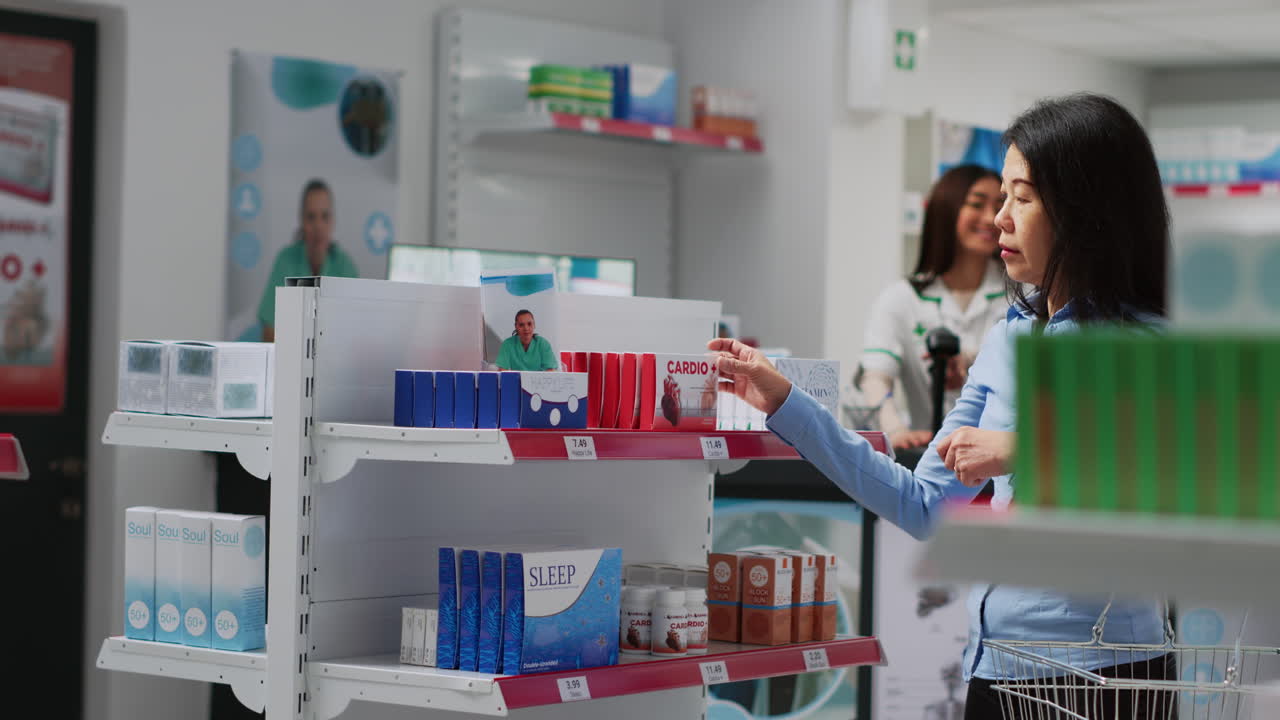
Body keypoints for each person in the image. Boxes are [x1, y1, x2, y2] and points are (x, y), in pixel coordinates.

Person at [710, 93, 1173, 720]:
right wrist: (788, 403)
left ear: (1086, 211)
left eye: (1022, 198)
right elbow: (924, 504)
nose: (999, 220)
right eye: (1002, 196)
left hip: (1105, 677)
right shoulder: (1008, 341)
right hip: (996, 671)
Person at [858, 164, 1009, 451]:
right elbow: (875, 377)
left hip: (1003, 459)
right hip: (929, 455)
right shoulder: (901, 299)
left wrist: (969, 361)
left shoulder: (1021, 295)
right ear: (946, 210)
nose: (991, 218)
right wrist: (896, 431)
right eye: (977, 204)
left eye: (999, 205)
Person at [257, 179, 359, 341]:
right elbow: (269, 332)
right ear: (302, 221)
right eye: (311, 217)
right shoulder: (286, 260)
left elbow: (356, 330)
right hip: (290, 356)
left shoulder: (345, 266)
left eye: (325, 216)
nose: (318, 226)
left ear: (333, 221)